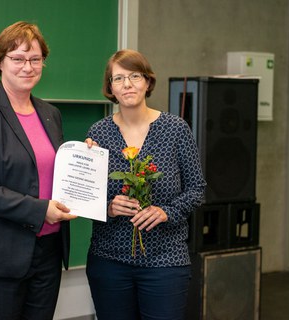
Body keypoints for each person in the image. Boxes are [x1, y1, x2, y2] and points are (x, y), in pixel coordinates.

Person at [0, 21, 77, 320]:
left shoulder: (50, 114)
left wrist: (83, 161)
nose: (28, 67)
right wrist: (38, 211)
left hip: (47, 252)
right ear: (0, 61)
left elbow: (51, 173)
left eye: (35, 59)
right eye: (18, 58)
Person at [85, 49, 206, 320]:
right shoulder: (97, 134)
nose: (127, 84)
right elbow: (85, 197)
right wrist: (108, 207)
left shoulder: (176, 129)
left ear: (148, 82)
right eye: (118, 79)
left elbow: (197, 188)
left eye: (135, 76)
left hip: (165, 261)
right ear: (110, 88)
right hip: (109, 261)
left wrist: (167, 212)